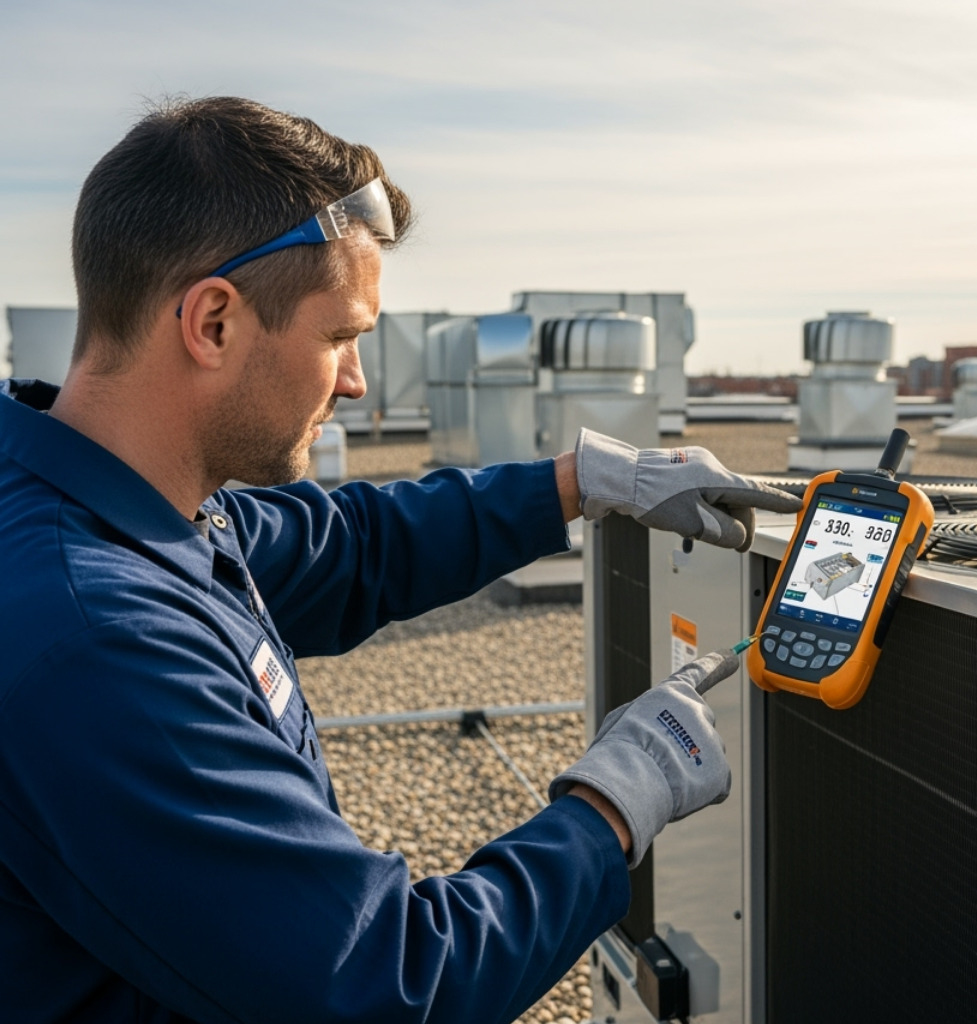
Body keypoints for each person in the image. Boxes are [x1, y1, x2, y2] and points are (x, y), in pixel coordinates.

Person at [0, 96, 801, 1023]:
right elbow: (387, 984)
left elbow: (355, 547)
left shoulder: (123, 508)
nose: (356, 379)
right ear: (213, 322)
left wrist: (583, 481)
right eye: (339, 336)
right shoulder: (97, 638)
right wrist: (615, 804)